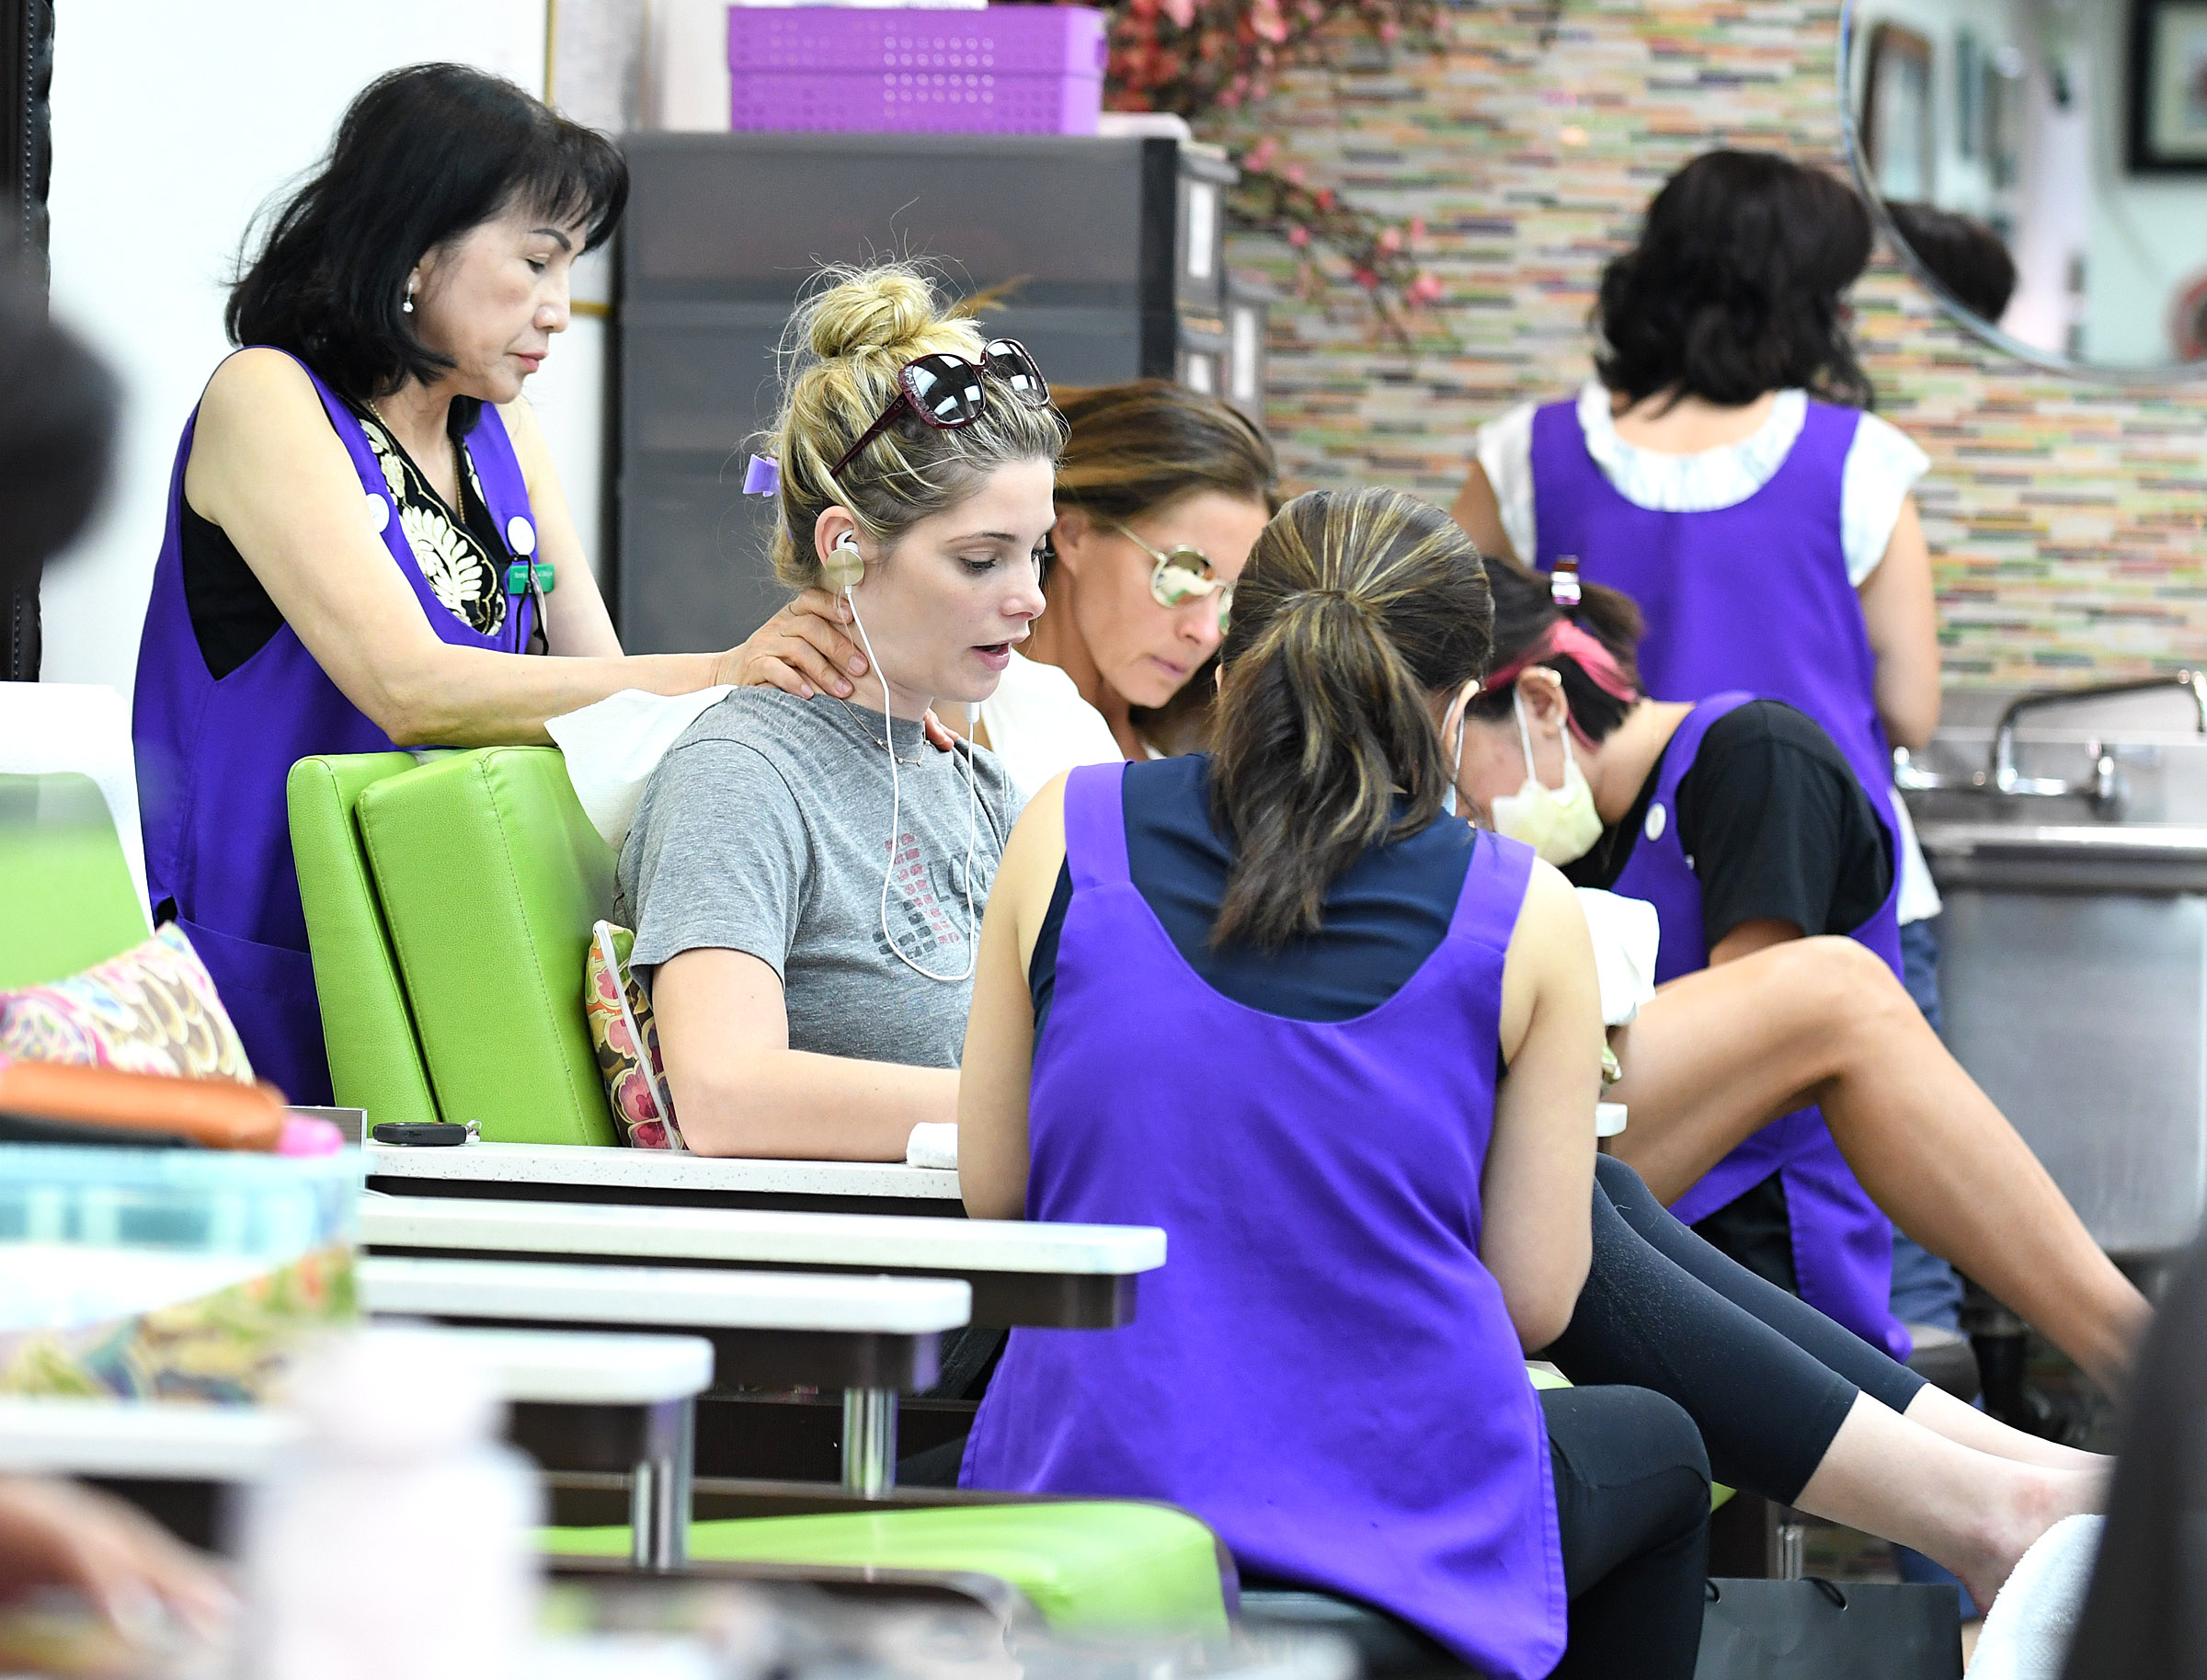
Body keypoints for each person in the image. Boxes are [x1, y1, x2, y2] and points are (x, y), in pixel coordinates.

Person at [957, 486, 2104, 1673]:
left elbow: (999, 1194)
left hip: (1083, 1480)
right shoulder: (1519, 909)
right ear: (1458, 707)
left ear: (1238, 660)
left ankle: (2010, 1497)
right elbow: (1536, 1298)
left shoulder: (1065, 825)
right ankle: (2010, 1498)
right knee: (1656, 1446)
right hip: (1381, 1503)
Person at [131, 64, 751, 1105]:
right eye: (537, 262)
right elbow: (410, 687)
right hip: (261, 974)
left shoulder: (502, 431)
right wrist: (727, 672)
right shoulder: (267, 398)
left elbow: (604, 689)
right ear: (417, 248)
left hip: (446, 960)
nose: (559, 310)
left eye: (572, 268)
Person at [1452, 148, 1945, 1354]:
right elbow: (1915, 705)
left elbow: (1445, 649)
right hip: (1826, 888)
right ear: (1807, 296)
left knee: (1619, 1218)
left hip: (1592, 899)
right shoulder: (1856, 460)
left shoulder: (1527, 452)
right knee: (1876, 1248)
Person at [1447, 555, 2148, 1395]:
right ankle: (2150, 1365)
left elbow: (1753, 1044)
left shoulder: (1755, 758)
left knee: (1834, 995)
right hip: (1609, 1232)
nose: (1462, 815)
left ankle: (2149, 1368)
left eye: (1457, 775)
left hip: (1766, 1248)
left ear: (1541, 703)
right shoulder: (1569, 850)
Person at [617, 262, 1061, 1160]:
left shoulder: (977, 789)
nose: (1031, 599)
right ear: (847, 547)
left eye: (1037, 553)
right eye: (982, 560)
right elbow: (727, 1096)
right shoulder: (739, 779)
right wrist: (1050, 1110)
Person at [732, 379, 1273, 789]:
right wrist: (716, 673)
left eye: (1230, 598)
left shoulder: (1202, 764)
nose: (1206, 631)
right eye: (1181, 574)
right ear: (1073, 535)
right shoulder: (938, 700)